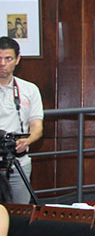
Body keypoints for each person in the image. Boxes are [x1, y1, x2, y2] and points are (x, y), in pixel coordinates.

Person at [0, 36, 43, 204]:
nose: (3, 63)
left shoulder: (29, 89)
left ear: (17, 59)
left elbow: (37, 126)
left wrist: (27, 140)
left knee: (21, 212)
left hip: (19, 161)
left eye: (8, 58)